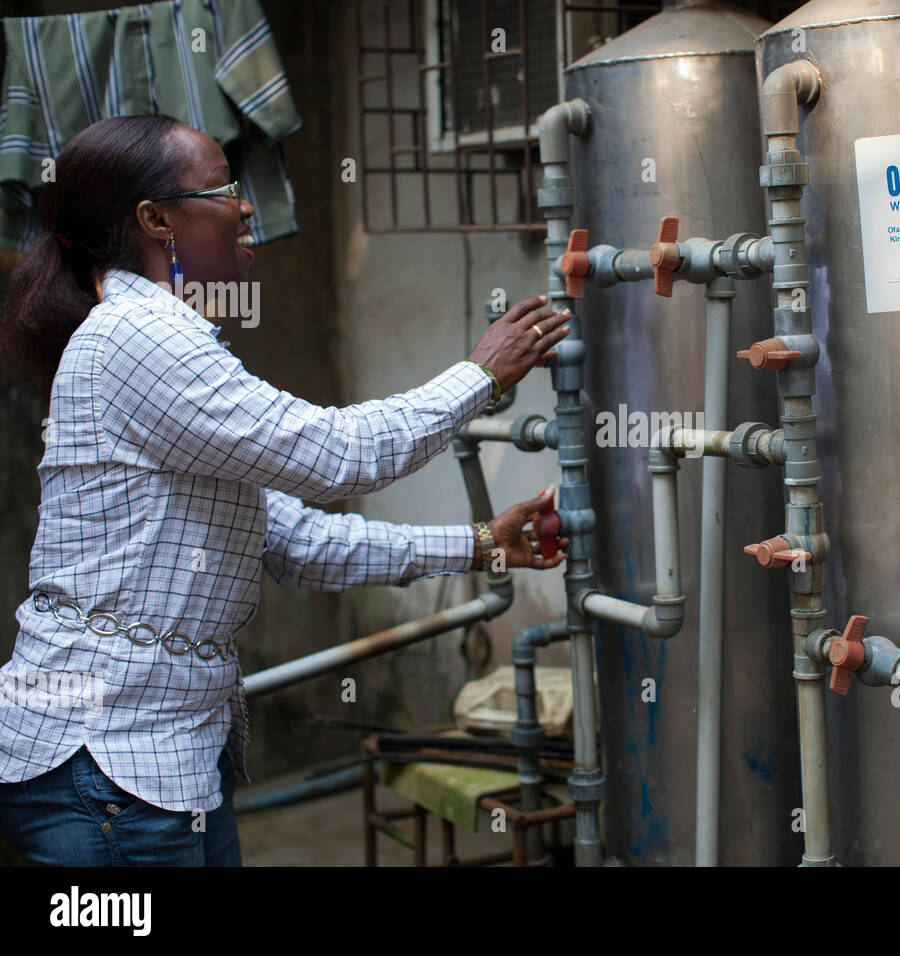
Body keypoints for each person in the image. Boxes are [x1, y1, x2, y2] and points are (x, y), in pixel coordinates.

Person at [0, 114, 570, 866]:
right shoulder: (137, 338)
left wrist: (482, 545)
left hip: (164, 757)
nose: (245, 207)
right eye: (222, 189)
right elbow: (339, 454)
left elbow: (299, 541)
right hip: (107, 760)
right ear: (155, 219)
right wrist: (480, 375)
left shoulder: (159, 340)